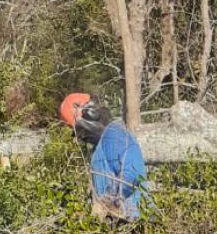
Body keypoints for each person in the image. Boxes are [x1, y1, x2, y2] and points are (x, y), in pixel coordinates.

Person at [59, 93, 150, 221]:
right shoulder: (100, 146)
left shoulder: (114, 135)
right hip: (115, 221)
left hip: (133, 220)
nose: (81, 137)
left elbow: (133, 175)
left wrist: (107, 202)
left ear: (90, 114)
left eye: (80, 130)